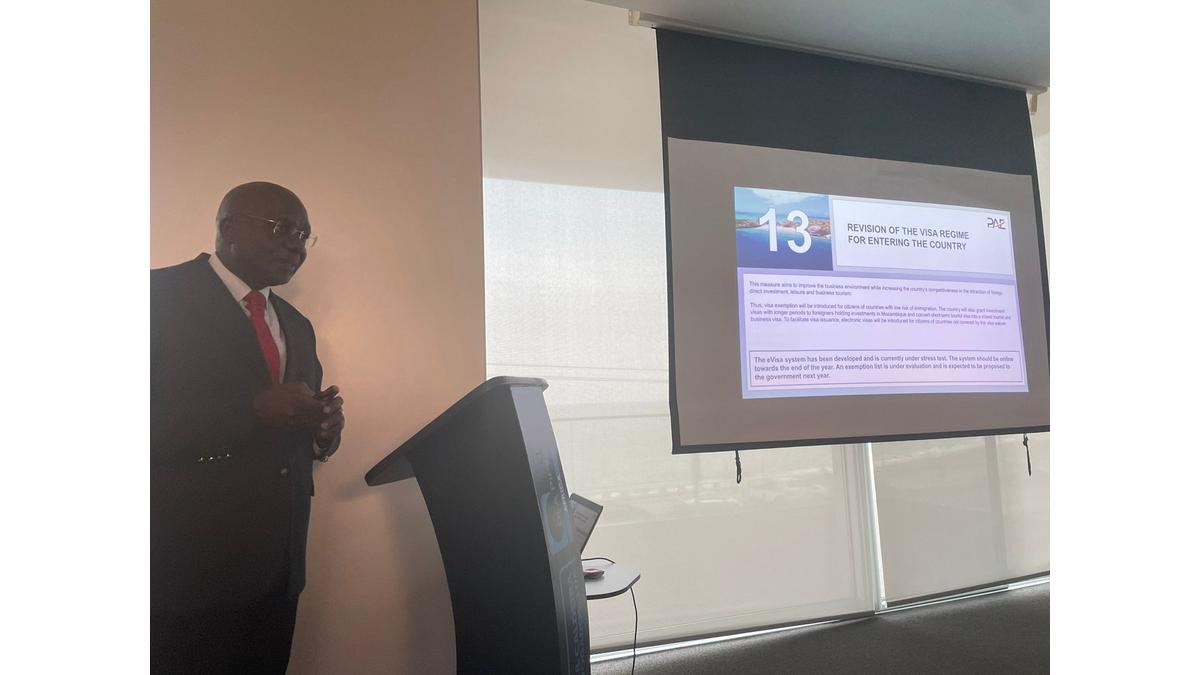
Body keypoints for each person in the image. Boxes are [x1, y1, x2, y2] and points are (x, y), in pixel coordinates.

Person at [150, 182, 345, 674]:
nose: (296, 245)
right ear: (229, 227)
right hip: (186, 570)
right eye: (282, 228)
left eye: (303, 234)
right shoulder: (155, 297)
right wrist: (250, 410)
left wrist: (322, 432)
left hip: (278, 571)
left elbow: (294, 425)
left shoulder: (296, 324)